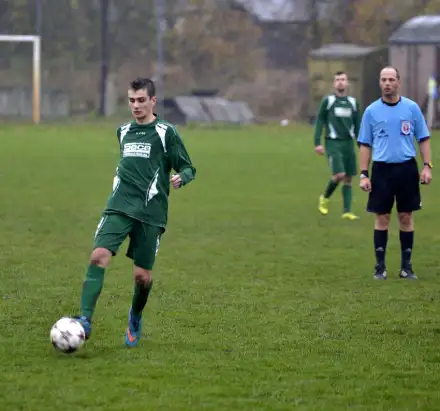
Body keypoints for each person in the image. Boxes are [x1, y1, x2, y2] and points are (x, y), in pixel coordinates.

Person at [73, 77, 196, 346]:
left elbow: (188, 167)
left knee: (142, 277)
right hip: (119, 206)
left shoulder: (166, 132)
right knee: (98, 256)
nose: (136, 106)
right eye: (131, 100)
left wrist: (182, 177)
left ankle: (136, 315)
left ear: (153, 101)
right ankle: (84, 320)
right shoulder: (123, 131)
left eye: (141, 100)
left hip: (151, 213)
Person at [357, 67, 432, 280]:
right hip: (382, 170)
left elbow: (423, 139)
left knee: (406, 216)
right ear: (380, 83)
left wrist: (427, 166)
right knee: (382, 216)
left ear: (398, 82)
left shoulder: (412, 108)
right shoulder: (371, 111)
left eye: (391, 79)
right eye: (383, 80)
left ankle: (406, 267)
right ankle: (380, 267)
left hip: (406, 169)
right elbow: (365, 144)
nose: (387, 83)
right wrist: (364, 174)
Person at [314, 71, 361, 221]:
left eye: (343, 79)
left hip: (348, 143)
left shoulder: (353, 103)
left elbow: (358, 125)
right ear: (334, 84)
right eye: (338, 80)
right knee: (339, 175)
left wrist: (362, 144)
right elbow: (319, 121)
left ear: (347, 83)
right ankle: (324, 198)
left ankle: (347, 211)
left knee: (348, 178)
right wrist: (317, 143)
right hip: (333, 143)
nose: (340, 82)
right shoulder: (328, 101)